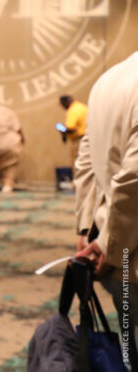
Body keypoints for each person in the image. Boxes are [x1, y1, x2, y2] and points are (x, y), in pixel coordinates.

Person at [73, 52, 138, 369]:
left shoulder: (108, 79)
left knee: (130, 346)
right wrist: (112, 247)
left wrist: (86, 231)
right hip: (124, 253)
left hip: (112, 255)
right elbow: (135, 176)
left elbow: (85, 164)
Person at [0, 92, 24, 192]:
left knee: (10, 167)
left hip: (8, 143)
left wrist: (22, 138)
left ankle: (7, 185)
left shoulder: (6, 112)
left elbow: (18, 128)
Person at [59, 94, 88, 164]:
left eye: (63, 105)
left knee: (79, 164)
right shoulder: (83, 107)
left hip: (79, 141)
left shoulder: (72, 110)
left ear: (65, 102)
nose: (63, 108)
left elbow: (71, 128)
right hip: (89, 138)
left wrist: (62, 130)